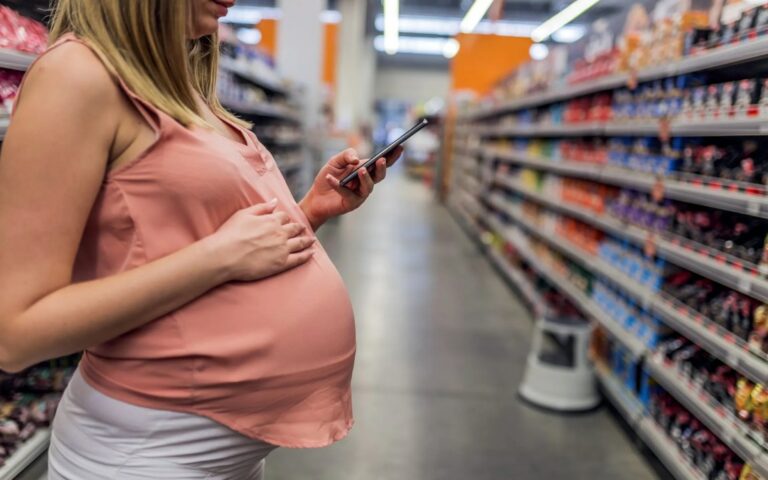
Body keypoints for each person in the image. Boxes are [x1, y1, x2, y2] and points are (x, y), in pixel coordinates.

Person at [0, 0, 402, 478]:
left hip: (216, 453)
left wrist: (309, 212)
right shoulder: (75, 74)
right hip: (146, 452)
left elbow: (192, 237)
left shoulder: (181, 86)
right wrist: (219, 258)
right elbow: (16, 332)